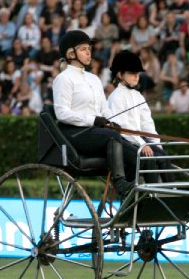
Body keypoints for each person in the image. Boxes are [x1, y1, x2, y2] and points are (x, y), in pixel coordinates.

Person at [52, 30, 136, 196]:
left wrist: (114, 122)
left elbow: (104, 110)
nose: (89, 52)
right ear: (71, 54)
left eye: (89, 48)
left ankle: (134, 197)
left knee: (135, 153)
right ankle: (120, 183)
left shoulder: (94, 79)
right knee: (112, 137)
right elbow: (62, 113)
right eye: (83, 49)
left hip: (97, 133)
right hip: (75, 134)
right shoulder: (63, 79)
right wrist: (93, 120)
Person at [107, 50, 170, 184]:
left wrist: (156, 144)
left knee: (163, 156)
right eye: (132, 73)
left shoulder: (138, 96)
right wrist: (142, 144)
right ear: (120, 74)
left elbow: (147, 123)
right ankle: (152, 194)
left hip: (139, 141)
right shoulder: (116, 97)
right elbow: (123, 127)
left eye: (137, 73)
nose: (136, 77)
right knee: (149, 158)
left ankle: (171, 189)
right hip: (125, 142)